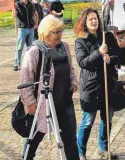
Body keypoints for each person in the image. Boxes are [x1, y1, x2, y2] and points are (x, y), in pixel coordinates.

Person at [20, 15, 79, 160]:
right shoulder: (34, 52)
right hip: (42, 103)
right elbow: (25, 78)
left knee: (70, 139)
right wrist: (30, 102)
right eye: (56, 32)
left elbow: (70, 67)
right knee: (34, 138)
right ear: (45, 33)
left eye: (61, 31)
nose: (60, 35)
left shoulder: (64, 47)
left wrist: (74, 82)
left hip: (64, 101)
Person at [74, 8, 120, 160]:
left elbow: (119, 56)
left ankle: (103, 148)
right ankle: (80, 153)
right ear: (85, 23)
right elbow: (82, 62)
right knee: (88, 121)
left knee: (107, 119)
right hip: (91, 86)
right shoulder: (81, 40)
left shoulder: (106, 36)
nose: (94, 21)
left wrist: (111, 59)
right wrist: (98, 52)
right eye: (90, 19)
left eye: (95, 18)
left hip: (108, 85)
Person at [13, 0, 39, 71]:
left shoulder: (31, 4)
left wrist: (36, 24)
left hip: (30, 29)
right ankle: (16, 64)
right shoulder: (17, 4)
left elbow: (36, 14)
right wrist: (13, 12)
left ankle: (30, 63)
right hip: (22, 29)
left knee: (30, 48)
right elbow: (14, 15)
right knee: (19, 47)